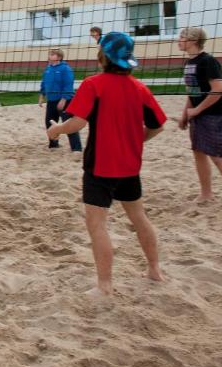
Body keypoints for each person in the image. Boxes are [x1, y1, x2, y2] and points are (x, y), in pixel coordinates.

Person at [47, 32, 166, 296]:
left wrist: (55, 131)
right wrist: (136, 140)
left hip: (100, 167)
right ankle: (155, 270)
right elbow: (158, 125)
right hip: (130, 166)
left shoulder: (94, 84)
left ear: (102, 56)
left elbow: (77, 123)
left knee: (97, 225)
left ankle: (105, 285)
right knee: (139, 217)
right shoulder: (140, 88)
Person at [177, 27, 222, 206]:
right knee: (198, 153)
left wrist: (196, 111)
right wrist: (185, 115)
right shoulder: (189, 63)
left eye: (182, 37)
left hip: (215, 114)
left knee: (218, 156)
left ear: (194, 40)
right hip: (198, 115)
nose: (179, 40)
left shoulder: (208, 61)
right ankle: (206, 194)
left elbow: (218, 90)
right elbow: (192, 92)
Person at [38, 48, 82, 152]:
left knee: (69, 124)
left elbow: (68, 85)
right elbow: (44, 83)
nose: (49, 56)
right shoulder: (48, 68)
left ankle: (76, 148)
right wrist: (41, 96)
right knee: (50, 122)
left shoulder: (65, 69)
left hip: (65, 101)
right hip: (51, 100)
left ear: (59, 57)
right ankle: (53, 145)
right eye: (49, 54)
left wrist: (63, 99)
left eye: (52, 54)